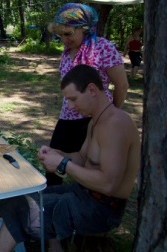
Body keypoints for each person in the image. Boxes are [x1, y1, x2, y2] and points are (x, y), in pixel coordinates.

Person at [0, 64, 140, 252]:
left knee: (24, 209)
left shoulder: (116, 123)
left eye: (73, 99)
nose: (71, 107)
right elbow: (82, 158)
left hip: (103, 208)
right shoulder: (96, 121)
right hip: (85, 194)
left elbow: (109, 184)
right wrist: (58, 154)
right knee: (26, 195)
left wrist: (63, 164)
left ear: (92, 90)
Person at [46, 3, 129, 186]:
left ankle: (81, 205)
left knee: (89, 169)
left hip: (94, 118)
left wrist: (110, 114)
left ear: (85, 28)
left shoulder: (103, 47)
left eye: (68, 34)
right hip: (68, 116)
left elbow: (122, 86)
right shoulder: (67, 52)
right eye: (60, 35)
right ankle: (50, 204)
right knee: (51, 162)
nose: (64, 40)